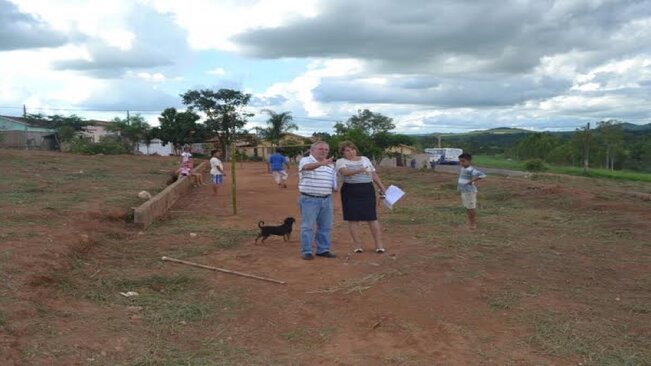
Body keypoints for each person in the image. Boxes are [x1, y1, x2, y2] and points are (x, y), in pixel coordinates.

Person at [335, 141, 387, 254]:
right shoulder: (340, 161)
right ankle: (357, 245)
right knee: (353, 218)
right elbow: (345, 172)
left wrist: (382, 188)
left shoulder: (365, 159)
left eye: (352, 149)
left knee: (371, 217)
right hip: (350, 190)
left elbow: (373, 174)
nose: (351, 152)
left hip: (366, 189)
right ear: (343, 152)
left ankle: (379, 244)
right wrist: (361, 170)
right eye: (347, 150)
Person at [298, 141, 337, 260]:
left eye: (326, 150)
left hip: (326, 199)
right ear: (312, 150)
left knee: (325, 226)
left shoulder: (330, 165)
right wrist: (322, 163)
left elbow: (332, 180)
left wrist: (334, 187)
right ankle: (307, 251)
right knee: (307, 226)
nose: (324, 151)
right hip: (309, 199)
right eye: (321, 149)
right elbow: (306, 168)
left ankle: (323, 249)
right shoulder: (305, 160)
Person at [457, 152, 486, 230]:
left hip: (469, 192)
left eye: (463, 161)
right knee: (467, 207)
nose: (461, 163)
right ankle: (470, 222)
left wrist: (472, 181)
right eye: (460, 161)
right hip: (464, 191)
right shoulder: (463, 168)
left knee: (471, 208)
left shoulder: (471, 169)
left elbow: (482, 175)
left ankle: (473, 224)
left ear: (469, 161)